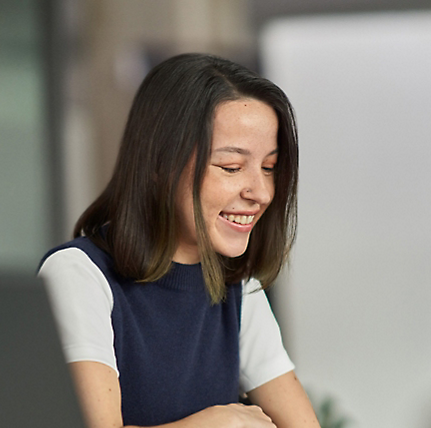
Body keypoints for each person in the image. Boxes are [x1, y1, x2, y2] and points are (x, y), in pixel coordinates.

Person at [38, 53, 321, 428]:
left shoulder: (238, 288)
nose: (262, 192)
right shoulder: (79, 275)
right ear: (159, 164)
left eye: (269, 168)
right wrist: (217, 424)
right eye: (231, 167)